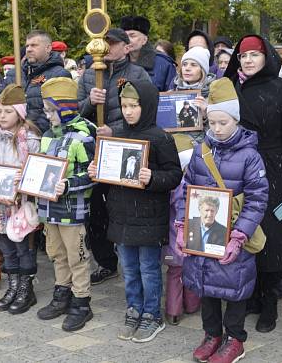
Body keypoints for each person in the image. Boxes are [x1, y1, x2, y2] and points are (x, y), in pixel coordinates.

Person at [175, 77, 268, 363]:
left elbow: (257, 198)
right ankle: (212, 334)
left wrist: (239, 236)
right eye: (211, 123)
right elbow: (185, 189)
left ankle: (235, 338)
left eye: (223, 123)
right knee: (206, 287)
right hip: (202, 232)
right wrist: (181, 225)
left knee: (235, 288)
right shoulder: (201, 152)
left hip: (232, 234)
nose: (216, 129)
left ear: (235, 120)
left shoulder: (250, 156)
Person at [87, 79, 182, 343]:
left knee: (149, 268)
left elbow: (174, 174)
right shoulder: (116, 132)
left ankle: (152, 314)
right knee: (128, 267)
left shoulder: (161, 138)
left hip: (149, 217)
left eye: (134, 106)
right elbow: (109, 171)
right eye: (125, 105)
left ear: (148, 105)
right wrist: (97, 172)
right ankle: (134, 309)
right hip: (120, 215)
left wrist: (152, 178)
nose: (128, 111)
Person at [223, 34, 282, 333]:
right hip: (238, 170)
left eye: (254, 55)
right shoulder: (230, 88)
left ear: (267, 56)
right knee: (243, 234)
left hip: (274, 169)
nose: (248, 60)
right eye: (243, 56)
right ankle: (251, 296)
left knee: (270, 239)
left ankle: (269, 303)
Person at [77, 28, 152, 285]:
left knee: (123, 207)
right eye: (103, 42)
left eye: (112, 42)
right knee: (96, 210)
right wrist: (89, 101)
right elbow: (77, 113)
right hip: (95, 150)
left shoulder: (137, 74)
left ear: (126, 47)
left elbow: (146, 113)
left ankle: (132, 261)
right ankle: (106, 262)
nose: (106, 46)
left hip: (125, 149)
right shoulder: (89, 75)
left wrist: (115, 130)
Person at [35, 77, 97, 331]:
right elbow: (41, 167)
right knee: (57, 253)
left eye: (51, 111)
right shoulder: (48, 135)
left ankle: (81, 301)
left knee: (77, 256)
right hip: (49, 208)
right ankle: (62, 294)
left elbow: (92, 173)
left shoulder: (83, 136)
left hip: (73, 209)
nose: (47, 116)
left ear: (65, 108)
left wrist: (69, 185)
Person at [0, 84, 41, 314]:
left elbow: (36, 173)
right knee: (6, 248)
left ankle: (26, 288)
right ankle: (13, 285)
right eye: (0, 111)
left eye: (8, 112)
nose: (2, 116)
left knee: (23, 247)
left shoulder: (29, 140)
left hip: (19, 207)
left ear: (20, 113)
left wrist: (22, 185)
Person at [163, 45, 214, 326]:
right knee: (176, 236)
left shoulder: (209, 97)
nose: (187, 69)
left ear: (204, 70)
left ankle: (193, 299)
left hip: (200, 171)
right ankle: (173, 305)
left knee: (196, 235)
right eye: (184, 64)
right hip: (175, 172)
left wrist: (207, 112)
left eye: (194, 65)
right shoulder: (170, 95)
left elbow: (218, 134)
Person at [4, 30, 72, 133]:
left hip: (42, 137)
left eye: (34, 45)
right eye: (27, 46)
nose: (29, 49)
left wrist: (30, 129)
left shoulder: (59, 75)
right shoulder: (15, 73)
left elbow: (57, 111)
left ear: (48, 48)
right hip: (11, 134)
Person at [121, 15, 176, 91]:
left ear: (144, 40)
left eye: (132, 36)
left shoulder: (163, 64)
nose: (127, 40)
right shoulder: (116, 63)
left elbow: (172, 96)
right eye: (124, 36)